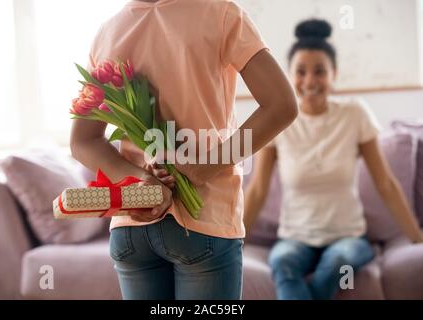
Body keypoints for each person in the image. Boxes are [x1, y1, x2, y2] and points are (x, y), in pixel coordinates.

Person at [70, 0, 297, 300]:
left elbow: (83, 141)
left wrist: (141, 180)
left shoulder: (108, 32)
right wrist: (209, 164)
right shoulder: (221, 13)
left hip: (132, 230)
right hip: (203, 220)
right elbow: (282, 105)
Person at [243, 19, 423, 300]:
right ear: (289, 76)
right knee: (283, 262)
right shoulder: (279, 121)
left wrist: (417, 236)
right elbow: (256, 191)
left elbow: (385, 183)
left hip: (348, 237)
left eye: (320, 71)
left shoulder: (354, 115)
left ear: (334, 74)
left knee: (339, 262)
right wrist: (234, 242)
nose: (310, 81)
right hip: (295, 238)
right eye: (300, 72)